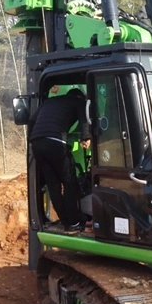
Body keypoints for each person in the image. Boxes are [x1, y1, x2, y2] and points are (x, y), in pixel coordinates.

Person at [28, 88, 91, 231]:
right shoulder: (79, 102)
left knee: (53, 185)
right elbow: (84, 120)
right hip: (55, 142)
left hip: (37, 143)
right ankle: (74, 222)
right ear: (79, 97)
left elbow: (31, 120)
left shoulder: (49, 102)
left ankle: (65, 221)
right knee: (70, 182)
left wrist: (31, 140)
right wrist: (85, 137)